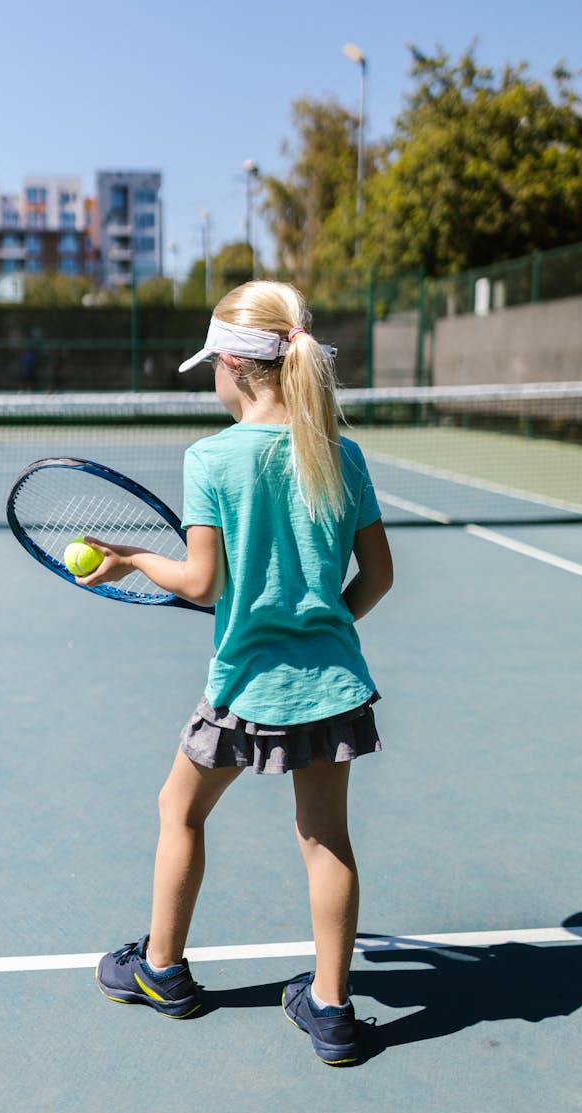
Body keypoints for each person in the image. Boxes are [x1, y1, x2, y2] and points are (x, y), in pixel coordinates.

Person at [79, 280, 393, 1065]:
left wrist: (130, 560)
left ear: (232, 366)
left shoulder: (212, 457)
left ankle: (161, 971)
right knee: (327, 839)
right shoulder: (340, 452)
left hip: (244, 689)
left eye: (211, 370)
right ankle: (331, 1008)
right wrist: (317, 627)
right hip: (332, 684)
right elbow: (379, 576)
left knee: (178, 810)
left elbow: (201, 582)